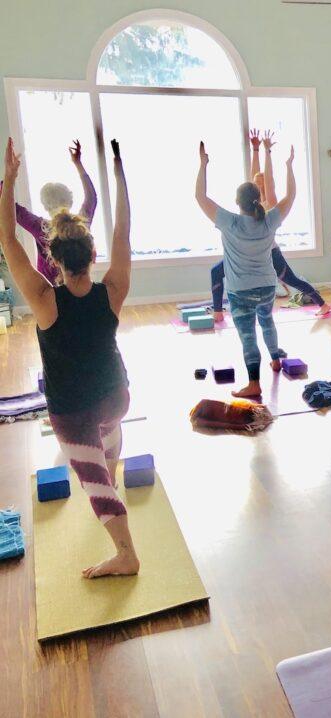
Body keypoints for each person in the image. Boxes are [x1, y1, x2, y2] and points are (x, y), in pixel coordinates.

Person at [0, 137, 138, 579]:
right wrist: (119, 170)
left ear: (52, 260)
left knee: (94, 484)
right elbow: (124, 231)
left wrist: (9, 180)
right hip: (117, 396)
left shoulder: (44, 299)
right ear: (92, 255)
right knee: (109, 434)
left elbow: (7, 239)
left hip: (72, 412)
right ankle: (110, 473)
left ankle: (125, 554)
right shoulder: (112, 290)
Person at [196, 140, 298, 398]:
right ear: (257, 200)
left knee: (247, 334)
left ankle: (254, 383)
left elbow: (200, 197)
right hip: (267, 287)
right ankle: (275, 359)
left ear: (237, 202)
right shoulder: (270, 220)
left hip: (241, 291)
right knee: (267, 322)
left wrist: (203, 164)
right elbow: (291, 196)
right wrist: (289, 167)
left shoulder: (229, 222)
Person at [209, 130, 329, 322]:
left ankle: (322, 304)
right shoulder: (250, 203)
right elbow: (252, 175)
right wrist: (255, 149)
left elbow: (270, 180)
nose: (256, 182)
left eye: (259, 181)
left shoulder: (269, 204)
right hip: (247, 252)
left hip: (269, 253)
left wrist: (267, 152)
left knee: (291, 279)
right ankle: (217, 312)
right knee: (216, 271)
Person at [0, 139, 96, 285]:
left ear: (44, 205)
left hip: (48, 292)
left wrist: (9, 177)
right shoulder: (80, 224)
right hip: (80, 287)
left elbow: (12, 209)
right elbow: (91, 197)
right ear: (70, 200)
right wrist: (78, 164)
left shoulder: (40, 226)